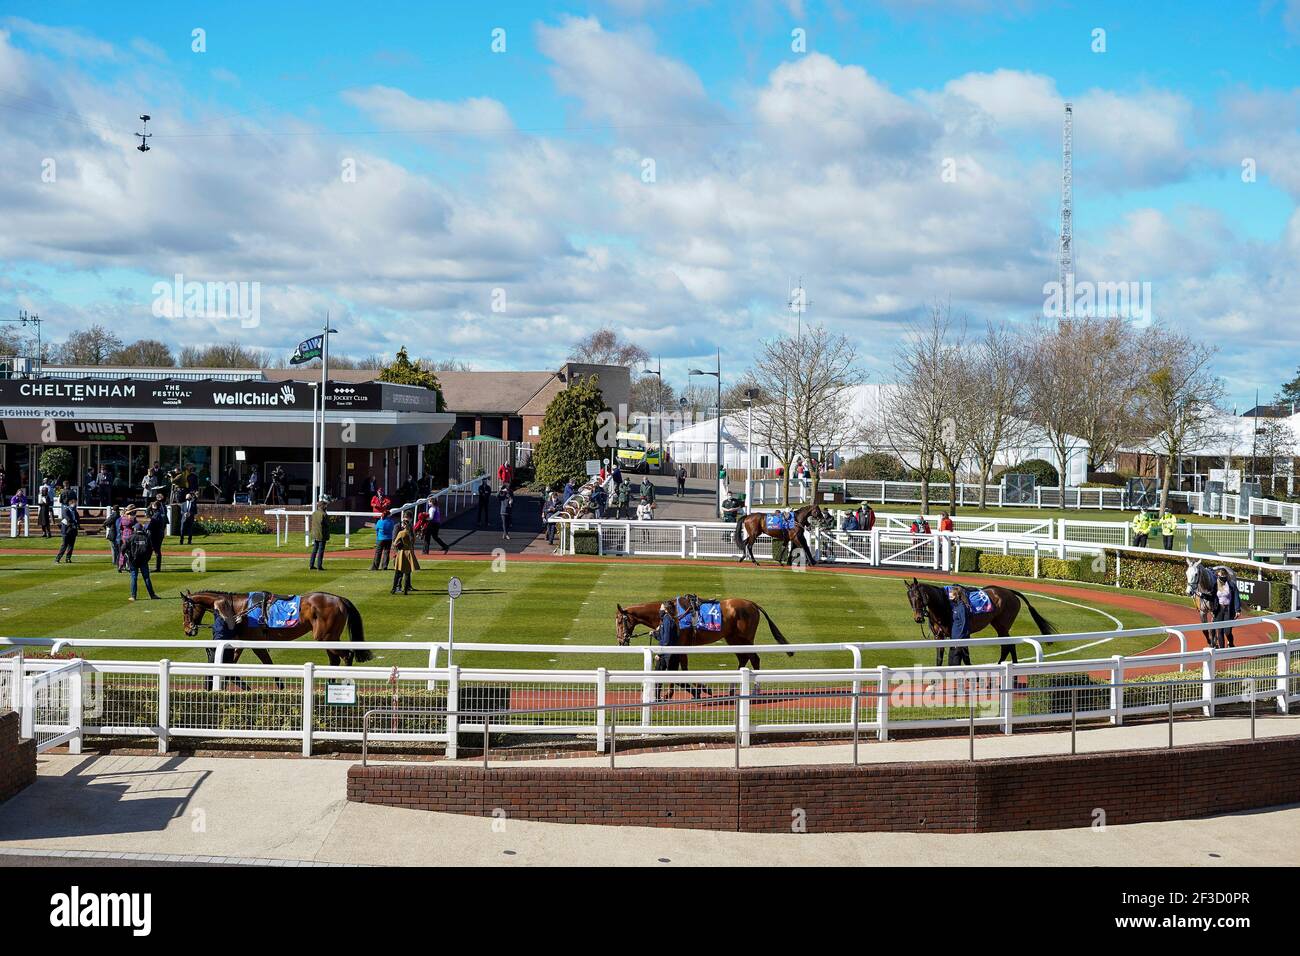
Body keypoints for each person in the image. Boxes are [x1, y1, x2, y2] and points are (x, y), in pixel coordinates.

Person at [125, 511, 160, 601]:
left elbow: (123, 548)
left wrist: (128, 557)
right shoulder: (146, 538)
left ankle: (133, 596)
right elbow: (150, 550)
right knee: (147, 578)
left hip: (133, 561)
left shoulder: (131, 537)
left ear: (135, 529)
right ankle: (152, 595)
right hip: (143, 561)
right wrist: (147, 559)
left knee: (134, 578)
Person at [1211, 567, 1241, 649]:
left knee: (1227, 631)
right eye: (1221, 576)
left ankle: (1231, 643)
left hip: (1229, 610)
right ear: (1218, 576)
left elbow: (1236, 597)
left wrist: (1237, 610)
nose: (1222, 578)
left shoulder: (1231, 585)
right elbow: (1212, 597)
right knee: (1219, 631)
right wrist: (1213, 609)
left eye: (1224, 576)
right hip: (1219, 610)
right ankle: (1222, 650)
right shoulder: (1215, 585)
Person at [390, 517, 419, 595]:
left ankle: (393, 589)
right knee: (407, 573)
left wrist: (398, 544)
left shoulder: (401, 533)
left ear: (404, 525)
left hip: (402, 553)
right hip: (410, 552)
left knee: (397, 572)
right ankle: (406, 590)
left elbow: (395, 543)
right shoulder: (412, 533)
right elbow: (413, 542)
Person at [946, 585, 973, 666]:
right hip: (954, 639)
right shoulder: (955, 605)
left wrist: (959, 640)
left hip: (960, 639)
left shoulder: (962, 607)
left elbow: (965, 624)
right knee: (952, 660)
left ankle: (971, 676)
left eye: (951, 594)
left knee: (956, 661)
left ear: (956, 595)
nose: (949, 595)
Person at [55, 490, 80, 563]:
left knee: (71, 545)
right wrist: (74, 522)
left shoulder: (75, 511)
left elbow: (78, 519)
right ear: (70, 503)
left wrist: (77, 524)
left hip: (73, 530)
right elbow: (68, 519)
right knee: (64, 545)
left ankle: (68, 558)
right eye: (73, 503)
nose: (75, 504)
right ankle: (58, 558)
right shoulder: (66, 510)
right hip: (66, 530)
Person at [308, 497, 331, 570]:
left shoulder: (314, 513)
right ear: (322, 506)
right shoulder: (324, 514)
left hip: (315, 534)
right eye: (325, 506)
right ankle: (319, 566)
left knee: (314, 550)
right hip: (321, 535)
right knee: (320, 551)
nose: (326, 507)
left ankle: (311, 565)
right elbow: (327, 524)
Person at [148, 503, 168, 572]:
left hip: (155, 535)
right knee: (157, 551)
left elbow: (150, 527)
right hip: (159, 535)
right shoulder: (160, 514)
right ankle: (157, 567)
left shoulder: (156, 515)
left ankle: (156, 567)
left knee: (153, 551)